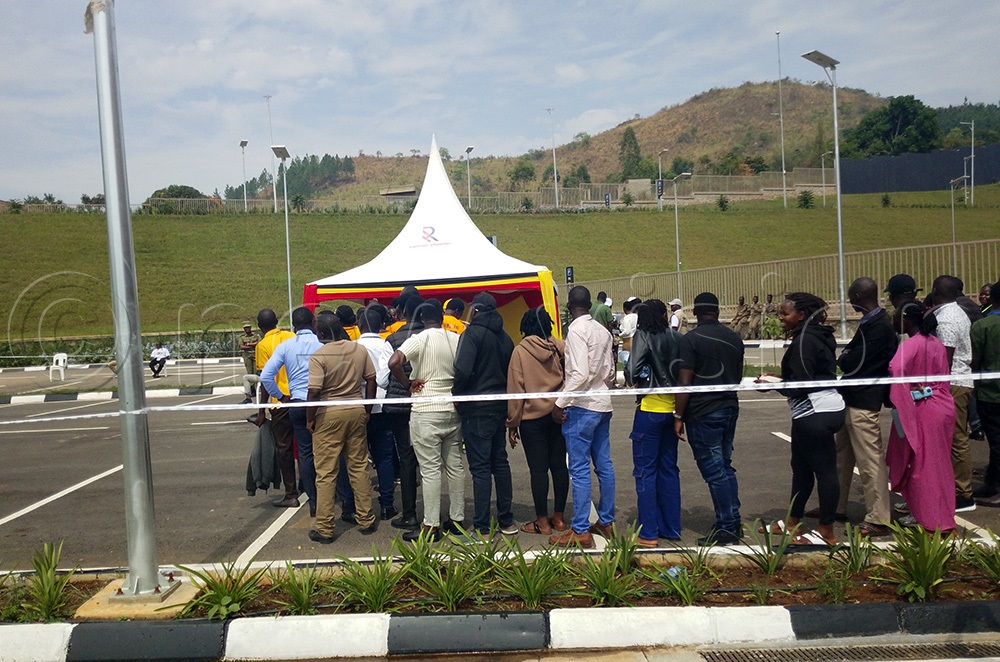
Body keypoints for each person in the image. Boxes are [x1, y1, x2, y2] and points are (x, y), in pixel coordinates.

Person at [759, 292, 845, 546]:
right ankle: (793, 520)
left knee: (824, 471)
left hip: (815, 412)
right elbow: (809, 375)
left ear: (802, 315)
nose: (781, 317)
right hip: (817, 409)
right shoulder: (816, 336)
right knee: (801, 468)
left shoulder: (805, 341)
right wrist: (779, 378)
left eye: (785, 313)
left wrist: (772, 385)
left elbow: (800, 385)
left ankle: (825, 531)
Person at [389, 299, 467, 542]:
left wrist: (407, 383)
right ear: (443, 319)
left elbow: (394, 362)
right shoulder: (455, 338)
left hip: (426, 407)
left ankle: (431, 525)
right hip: (451, 407)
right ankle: (457, 519)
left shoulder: (419, 339)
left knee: (430, 469)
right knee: (455, 466)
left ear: (422, 320)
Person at [673, 292, 745, 546]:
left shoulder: (690, 340)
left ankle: (727, 528)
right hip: (729, 406)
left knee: (714, 472)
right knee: (725, 465)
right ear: (717, 311)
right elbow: (737, 377)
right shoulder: (734, 338)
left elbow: (685, 382)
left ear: (695, 313)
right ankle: (733, 520)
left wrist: (678, 415)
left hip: (703, 412)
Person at [549, 286, 616, 548]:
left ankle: (580, 530)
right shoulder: (602, 330)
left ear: (568, 307)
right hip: (603, 404)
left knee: (578, 469)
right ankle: (606, 520)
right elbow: (609, 373)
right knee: (604, 465)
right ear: (590, 304)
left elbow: (578, 374)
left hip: (581, 406)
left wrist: (559, 403)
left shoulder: (576, 330)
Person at [305, 313, 378, 544]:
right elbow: (372, 379)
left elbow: (314, 391)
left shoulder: (319, 355)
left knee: (326, 473)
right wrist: (367, 409)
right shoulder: (359, 349)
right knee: (358, 467)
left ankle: (325, 528)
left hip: (329, 413)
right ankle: (366, 518)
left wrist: (310, 418)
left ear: (323, 334)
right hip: (356, 409)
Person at [833, 278, 897, 537]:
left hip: (865, 400)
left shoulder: (880, 327)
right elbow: (849, 356)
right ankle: (835, 506)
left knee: (870, 460)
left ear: (858, 296)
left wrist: (846, 358)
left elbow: (851, 361)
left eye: (850, 296)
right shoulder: (871, 322)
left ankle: (879, 516)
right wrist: (847, 357)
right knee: (841, 457)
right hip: (852, 398)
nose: (849, 301)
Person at [887, 303, 956, 533]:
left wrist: (902, 400)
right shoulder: (936, 342)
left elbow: (895, 370)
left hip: (924, 407)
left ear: (906, 320)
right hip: (943, 405)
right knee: (940, 465)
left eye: (897, 317)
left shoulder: (911, 344)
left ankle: (929, 517)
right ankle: (942, 512)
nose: (895, 321)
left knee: (921, 466)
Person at [453, 292, 517, 537]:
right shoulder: (505, 338)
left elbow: (463, 369)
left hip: (476, 407)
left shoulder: (472, 334)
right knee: (500, 463)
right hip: (499, 406)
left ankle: (481, 526)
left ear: (476, 310)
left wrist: (457, 395)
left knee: (480, 469)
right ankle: (506, 520)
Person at [506, 307, 568, 536]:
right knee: (560, 466)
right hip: (559, 414)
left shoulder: (520, 352)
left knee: (538, 471)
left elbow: (516, 390)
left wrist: (512, 423)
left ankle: (542, 521)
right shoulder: (559, 346)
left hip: (532, 419)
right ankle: (559, 518)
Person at [626, 300, 683, 547]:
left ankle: (648, 532)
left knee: (645, 471)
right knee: (669, 469)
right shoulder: (676, 337)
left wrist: (640, 376)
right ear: (663, 315)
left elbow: (632, 370)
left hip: (650, 408)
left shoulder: (643, 335)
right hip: (673, 410)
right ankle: (671, 527)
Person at [260, 307, 323, 515]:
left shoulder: (286, 346)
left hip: (295, 403)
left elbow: (265, 377)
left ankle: (313, 502)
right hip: (320, 403)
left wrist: (281, 395)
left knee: (304, 453)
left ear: (295, 326)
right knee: (325, 452)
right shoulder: (320, 344)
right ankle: (330, 497)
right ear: (313, 323)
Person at [343, 307, 399, 521]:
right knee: (384, 457)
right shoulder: (386, 344)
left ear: (359, 325)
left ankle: (352, 505)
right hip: (382, 406)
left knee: (354, 459)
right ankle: (387, 505)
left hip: (359, 405)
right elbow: (385, 376)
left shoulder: (353, 347)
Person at [931, 275, 976, 513]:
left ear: (936, 290)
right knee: (953, 438)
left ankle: (963, 493)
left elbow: (944, 358)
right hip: (958, 380)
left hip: (953, 382)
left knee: (957, 438)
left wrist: (936, 388)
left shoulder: (947, 318)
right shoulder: (956, 312)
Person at [379, 295, 424, 531]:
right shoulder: (433, 334)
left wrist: (405, 384)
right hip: (428, 402)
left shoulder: (393, 338)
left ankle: (409, 513)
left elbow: (383, 375)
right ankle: (435, 514)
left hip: (399, 404)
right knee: (431, 460)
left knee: (406, 458)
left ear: (402, 312)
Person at [252, 309, 298, 508]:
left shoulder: (262, 345)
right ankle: (310, 486)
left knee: (284, 449)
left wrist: (262, 410)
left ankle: (291, 493)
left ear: (260, 327)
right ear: (277, 321)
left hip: (280, 402)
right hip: (300, 398)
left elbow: (265, 379)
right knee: (306, 446)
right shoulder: (292, 336)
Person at [971, 281, 1000, 505]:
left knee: (997, 442)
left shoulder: (983, 326)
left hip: (990, 394)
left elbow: (976, 361)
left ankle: (995, 486)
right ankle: (991, 482)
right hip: (990, 393)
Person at [618, 297, 640, 365]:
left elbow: (627, 331)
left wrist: (619, 335)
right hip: (637, 340)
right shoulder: (637, 316)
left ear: (624, 309)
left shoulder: (627, 318)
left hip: (628, 341)